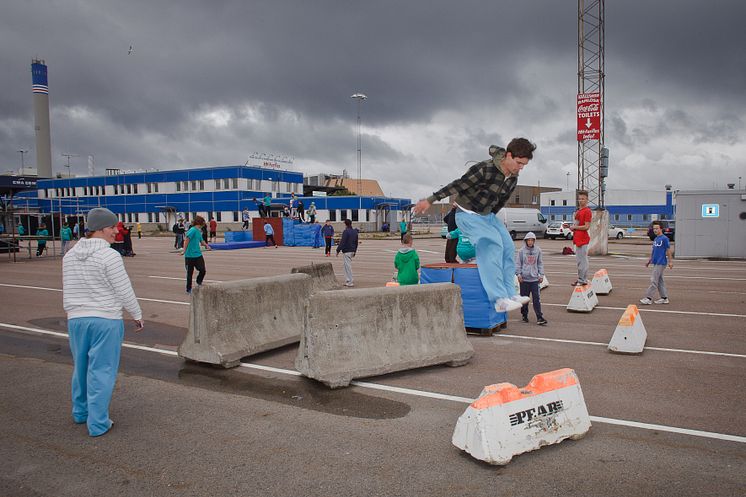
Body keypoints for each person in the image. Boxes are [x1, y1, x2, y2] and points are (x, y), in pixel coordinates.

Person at [413, 139, 536, 312]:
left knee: (507, 247)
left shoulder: (512, 178)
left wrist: (492, 219)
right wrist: (431, 200)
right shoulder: (485, 168)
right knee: (492, 244)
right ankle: (498, 299)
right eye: (519, 163)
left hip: (487, 216)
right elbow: (458, 184)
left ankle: (510, 293)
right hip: (467, 214)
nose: (520, 167)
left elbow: (500, 200)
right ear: (509, 155)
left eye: (524, 164)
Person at [62, 207, 143, 437]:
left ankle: (80, 412)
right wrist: (136, 314)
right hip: (105, 319)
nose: (116, 231)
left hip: (76, 319)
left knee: (81, 367)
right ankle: (98, 423)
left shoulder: (70, 255)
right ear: (99, 229)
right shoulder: (110, 255)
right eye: (112, 227)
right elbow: (123, 289)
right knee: (102, 370)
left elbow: (69, 287)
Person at [516, 232, 547, 325]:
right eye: (528, 240)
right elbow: (518, 264)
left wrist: (541, 275)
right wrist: (519, 275)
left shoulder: (538, 250)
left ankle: (539, 317)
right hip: (524, 280)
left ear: (534, 241)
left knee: (536, 299)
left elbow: (540, 263)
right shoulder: (521, 251)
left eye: (532, 240)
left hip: (534, 279)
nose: (530, 242)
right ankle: (524, 315)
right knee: (524, 299)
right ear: (525, 241)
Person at [640, 221, 674, 305]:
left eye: (657, 228)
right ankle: (664, 298)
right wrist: (649, 260)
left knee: (654, 280)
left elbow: (668, 250)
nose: (655, 230)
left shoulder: (664, 239)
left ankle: (648, 298)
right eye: (654, 228)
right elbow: (654, 251)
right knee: (660, 281)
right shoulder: (656, 239)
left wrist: (670, 261)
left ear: (661, 229)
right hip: (656, 262)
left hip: (661, 262)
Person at [183, 215, 211, 293]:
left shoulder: (198, 231)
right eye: (203, 223)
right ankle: (188, 289)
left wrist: (207, 245)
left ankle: (199, 282)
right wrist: (184, 250)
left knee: (202, 270)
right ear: (200, 223)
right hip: (189, 256)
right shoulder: (192, 230)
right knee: (189, 273)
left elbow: (201, 241)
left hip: (198, 255)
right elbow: (187, 239)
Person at [570, 190, 592, 286]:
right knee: (580, 261)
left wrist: (575, 227)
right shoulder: (579, 211)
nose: (581, 201)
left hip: (583, 239)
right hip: (578, 239)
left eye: (583, 199)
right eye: (579, 199)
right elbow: (577, 225)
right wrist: (572, 227)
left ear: (587, 200)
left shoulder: (587, 211)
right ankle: (581, 278)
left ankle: (582, 279)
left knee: (582, 261)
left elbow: (587, 226)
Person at [336, 219, 359, 287]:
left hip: (347, 251)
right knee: (345, 266)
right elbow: (356, 242)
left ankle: (350, 281)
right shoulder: (355, 232)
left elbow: (342, 242)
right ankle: (348, 280)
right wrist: (355, 251)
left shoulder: (346, 232)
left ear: (345, 224)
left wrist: (338, 250)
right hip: (352, 250)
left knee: (347, 266)